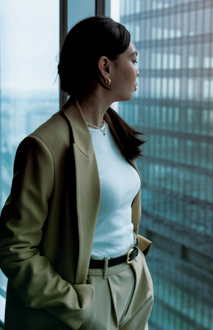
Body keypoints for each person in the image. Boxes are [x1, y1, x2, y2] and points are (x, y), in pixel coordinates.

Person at [0, 16, 153, 329]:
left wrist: (136, 266)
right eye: (133, 60)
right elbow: (14, 248)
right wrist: (76, 305)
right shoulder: (44, 146)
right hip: (86, 295)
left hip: (133, 284)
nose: (137, 70)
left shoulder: (113, 129)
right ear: (105, 67)